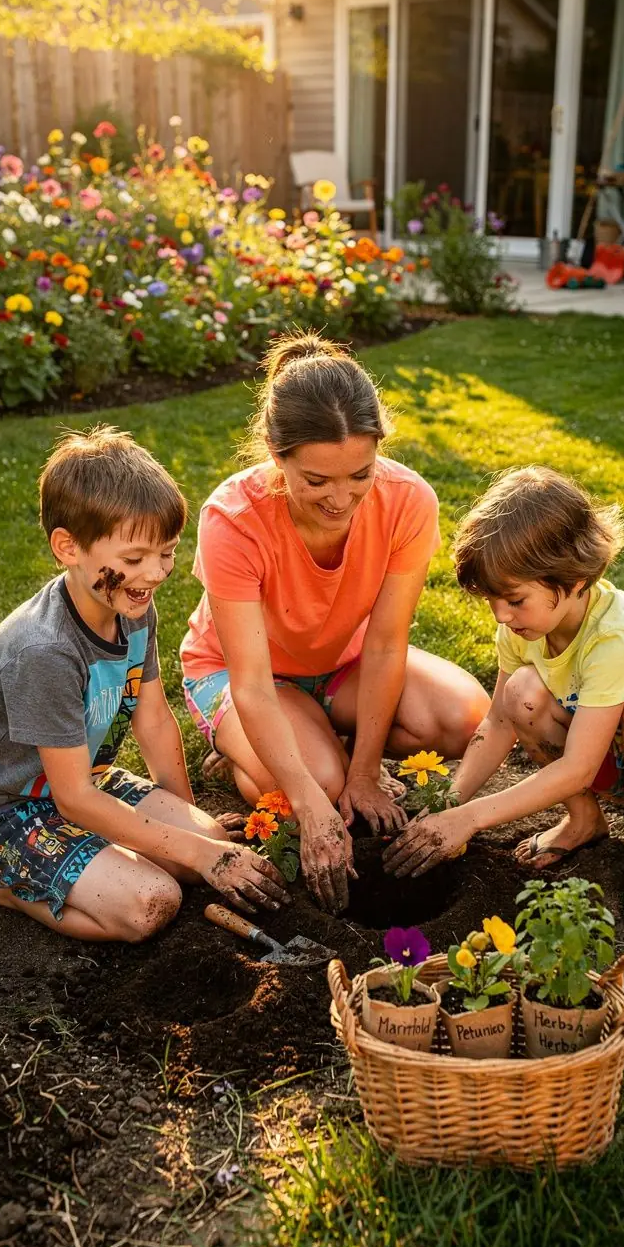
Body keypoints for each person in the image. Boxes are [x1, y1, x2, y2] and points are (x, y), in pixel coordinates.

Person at [0, 426, 288, 941]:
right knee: (151, 904)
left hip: (81, 780)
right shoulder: (43, 650)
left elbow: (155, 719)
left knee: (193, 852)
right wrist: (197, 852)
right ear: (68, 547)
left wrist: (192, 829)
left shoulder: (131, 604)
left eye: (167, 552)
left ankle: (100, 861)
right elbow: (72, 799)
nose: (156, 572)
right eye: (135, 559)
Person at [180, 333, 490, 915]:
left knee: (463, 719)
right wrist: (311, 800)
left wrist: (368, 773)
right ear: (277, 456)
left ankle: (304, 746)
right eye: (316, 481)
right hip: (244, 675)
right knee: (317, 784)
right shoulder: (233, 518)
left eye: (359, 475)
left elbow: (386, 643)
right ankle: (267, 754)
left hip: (342, 663)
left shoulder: (408, 501)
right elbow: (249, 681)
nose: (341, 499)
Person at [384, 466, 624, 928]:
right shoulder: (524, 628)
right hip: (614, 756)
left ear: (573, 579)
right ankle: (583, 821)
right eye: (493, 600)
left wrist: (469, 820)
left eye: (515, 599)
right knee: (520, 695)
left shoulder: (617, 635)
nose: (502, 614)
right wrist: (449, 801)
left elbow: (579, 767)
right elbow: (498, 724)